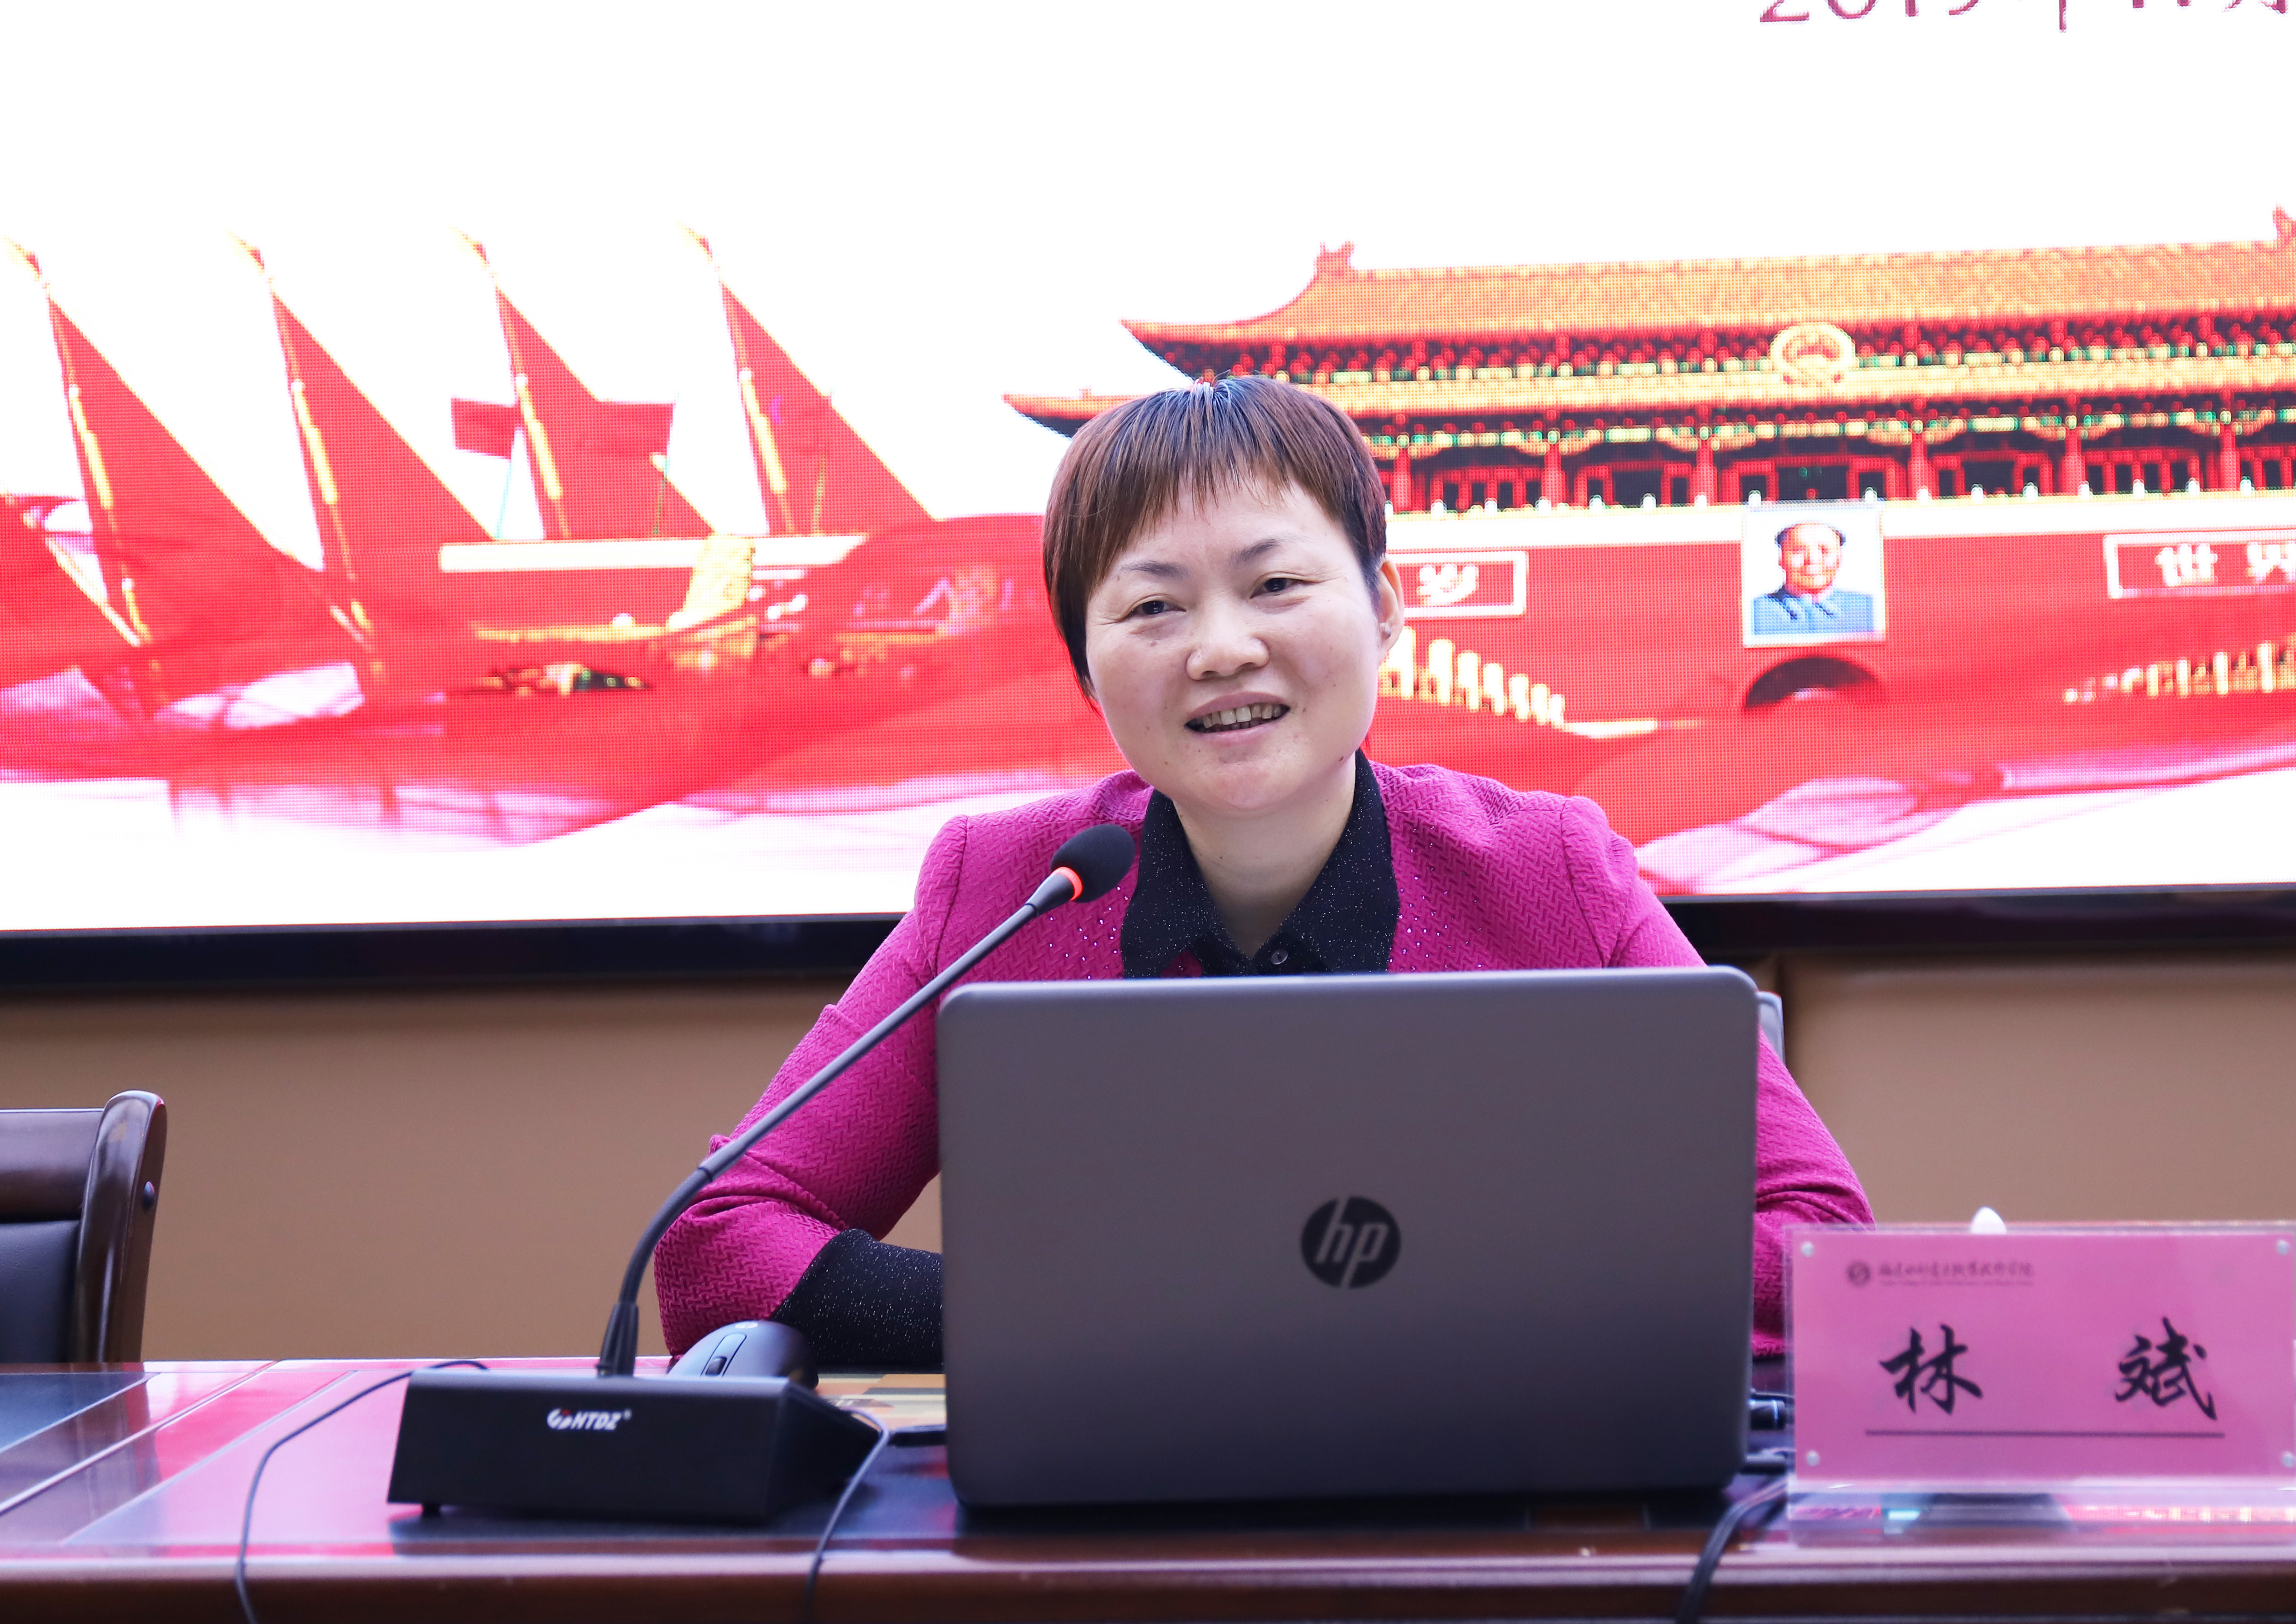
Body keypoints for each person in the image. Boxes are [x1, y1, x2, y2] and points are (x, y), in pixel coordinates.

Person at [656, 376, 1869, 1366]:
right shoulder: (1005, 888)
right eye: (1153, 608)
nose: (1222, 650)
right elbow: (717, 1239)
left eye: (1276, 584)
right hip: (1103, 1522)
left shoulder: (1547, 870)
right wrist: (1052, 1322)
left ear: (1384, 608)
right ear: (1084, 667)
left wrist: (1479, 1285)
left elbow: (1819, 1246)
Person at [1750, 519, 1878, 635]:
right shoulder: (1757, 612)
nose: (1813, 560)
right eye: (1799, 551)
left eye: (1825, 551)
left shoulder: (1867, 608)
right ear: (1782, 559)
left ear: (1840, 559)